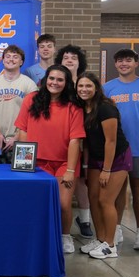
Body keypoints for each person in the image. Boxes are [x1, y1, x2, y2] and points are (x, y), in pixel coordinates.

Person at [15, 65, 85, 254]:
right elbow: (23, 130)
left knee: (63, 204)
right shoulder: (31, 99)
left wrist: (70, 170)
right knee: (37, 203)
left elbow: (75, 139)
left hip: (64, 163)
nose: (55, 82)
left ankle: (65, 236)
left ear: (66, 83)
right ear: (46, 80)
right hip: (37, 162)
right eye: (52, 78)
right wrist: (23, 164)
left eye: (60, 80)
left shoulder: (74, 106)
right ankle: (38, 236)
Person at [103, 48, 139, 250]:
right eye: (119, 61)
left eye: (128, 60)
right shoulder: (107, 88)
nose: (123, 64)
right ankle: (116, 228)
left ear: (136, 63)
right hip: (116, 148)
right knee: (117, 191)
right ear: (115, 64)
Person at [76, 72, 132, 259]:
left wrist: (106, 170)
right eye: (81, 86)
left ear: (97, 88)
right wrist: (86, 166)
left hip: (116, 158)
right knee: (93, 198)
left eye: (88, 86)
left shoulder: (106, 108)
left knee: (105, 200)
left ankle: (110, 244)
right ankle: (100, 239)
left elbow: (111, 141)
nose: (84, 89)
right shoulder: (83, 108)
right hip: (95, 159)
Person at [54, 44, 94, 239]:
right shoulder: (56, 83)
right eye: (66, 58)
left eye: (74, 58)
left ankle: (85, 219)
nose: (69, 61)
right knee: (71, 180)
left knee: (82, 180)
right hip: (64, 140)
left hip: (87, 137)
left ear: (80, 62)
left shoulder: (85, 83)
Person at [0, 44, 38, 163]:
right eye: (8, 56)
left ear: (21, 62)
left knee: (22, 177)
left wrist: (18, 137)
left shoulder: (30, 85)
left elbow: (34, 114)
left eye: (15, 57)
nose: (11, 59)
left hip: (23, 140)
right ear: (3, 60)